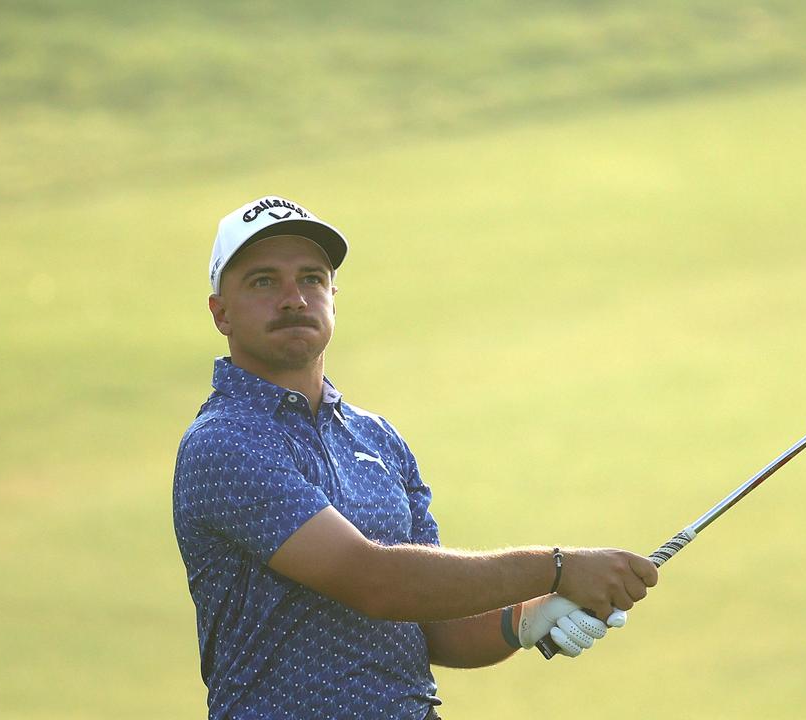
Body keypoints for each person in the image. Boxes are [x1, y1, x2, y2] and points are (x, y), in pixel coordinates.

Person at [173, 196, 659, 719]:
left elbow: (436, 624)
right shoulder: (223, 442)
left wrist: (527, 618)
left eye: (312, 279)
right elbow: (375, 581)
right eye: (264, 281)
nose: (294, 299)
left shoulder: (375, 437)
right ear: (221, 311)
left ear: (334, 296)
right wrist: (557, 569)